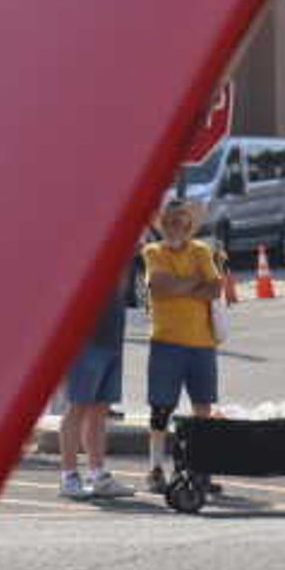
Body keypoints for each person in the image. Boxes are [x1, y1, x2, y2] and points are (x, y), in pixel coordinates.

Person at [138, 197, 227, 492]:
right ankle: (155, 469)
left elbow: (215, 287)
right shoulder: (153, 251)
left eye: (181, 221)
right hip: (166, 342)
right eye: (170, 222)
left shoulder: (201, 250)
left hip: (201, 343)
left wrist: (180, 286)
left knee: (203, 408)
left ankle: (198, 468)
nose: (176, 226)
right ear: (162, 225)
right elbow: (160, 285)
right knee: (161, 409)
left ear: (189, 225)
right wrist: (193, 284)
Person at [56, 243, 133, 498]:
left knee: (99, 410)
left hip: (112, 338)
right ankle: (68, 477)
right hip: (84, 342)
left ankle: (97, 475)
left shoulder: (120, 250)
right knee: (77, 407)